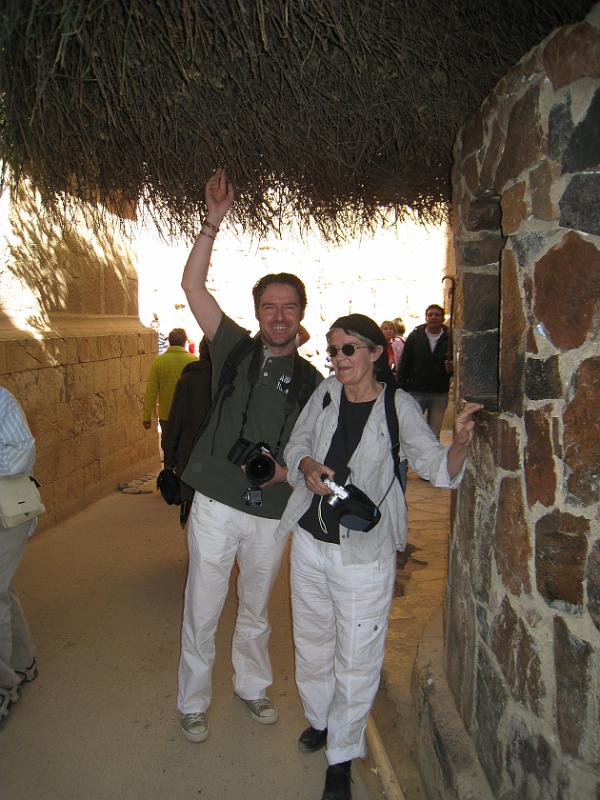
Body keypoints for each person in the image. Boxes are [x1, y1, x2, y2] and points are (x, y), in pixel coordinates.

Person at [275, 313, 481, 800]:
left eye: (349, 349)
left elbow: (435, 466)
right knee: (312, 641)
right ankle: (322, 720)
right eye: (333, 349)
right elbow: (298, 443)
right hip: (309, 540)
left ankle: (342, 755)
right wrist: (305, 466)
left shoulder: (398, 406)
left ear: (374, 353)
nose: (339, 359)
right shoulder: (325, 392)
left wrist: (465, 442)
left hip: (364, 552)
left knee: (356, 655)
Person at [177, 168, 322, 743]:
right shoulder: (234, 347)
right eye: (269, 307)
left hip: (271, 510)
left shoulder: (314, 381)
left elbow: (321, 449)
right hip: (216, 502)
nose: (279, 316)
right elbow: (192, 288)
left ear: (301, 314)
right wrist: (212, 222)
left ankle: (251, 688)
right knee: (203, 607)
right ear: (257, 313)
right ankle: (192, 702)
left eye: (289, 308)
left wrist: (296, 469)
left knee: (256, 610)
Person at [0, 387, 39, 727]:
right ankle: (24, 661)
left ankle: (4, 686)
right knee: (3, 589)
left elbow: (22, 452)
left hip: (6, 514)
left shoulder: (2, 400)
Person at [397, 304, 453, 439]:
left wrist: (451, 369)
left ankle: (431, 459)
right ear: (426, 317)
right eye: (430, 315)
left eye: (437, 315)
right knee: (412, 430)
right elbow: (405, 362)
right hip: (417, 391)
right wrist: (401, 388)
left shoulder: (450, 338)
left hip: (439, 392)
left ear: (442, 318)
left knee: (434, 433)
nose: (433, 317)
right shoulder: (415, 336)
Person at [142, 328, 197, 451]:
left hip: (167, 415)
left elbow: (151, 391)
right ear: (185, 342)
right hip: (187, 415)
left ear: (170, 342)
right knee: (185, 448)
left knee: (168, 447)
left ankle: (168, 468)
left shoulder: (159, 361)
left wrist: (146, 416)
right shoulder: (193, 361)